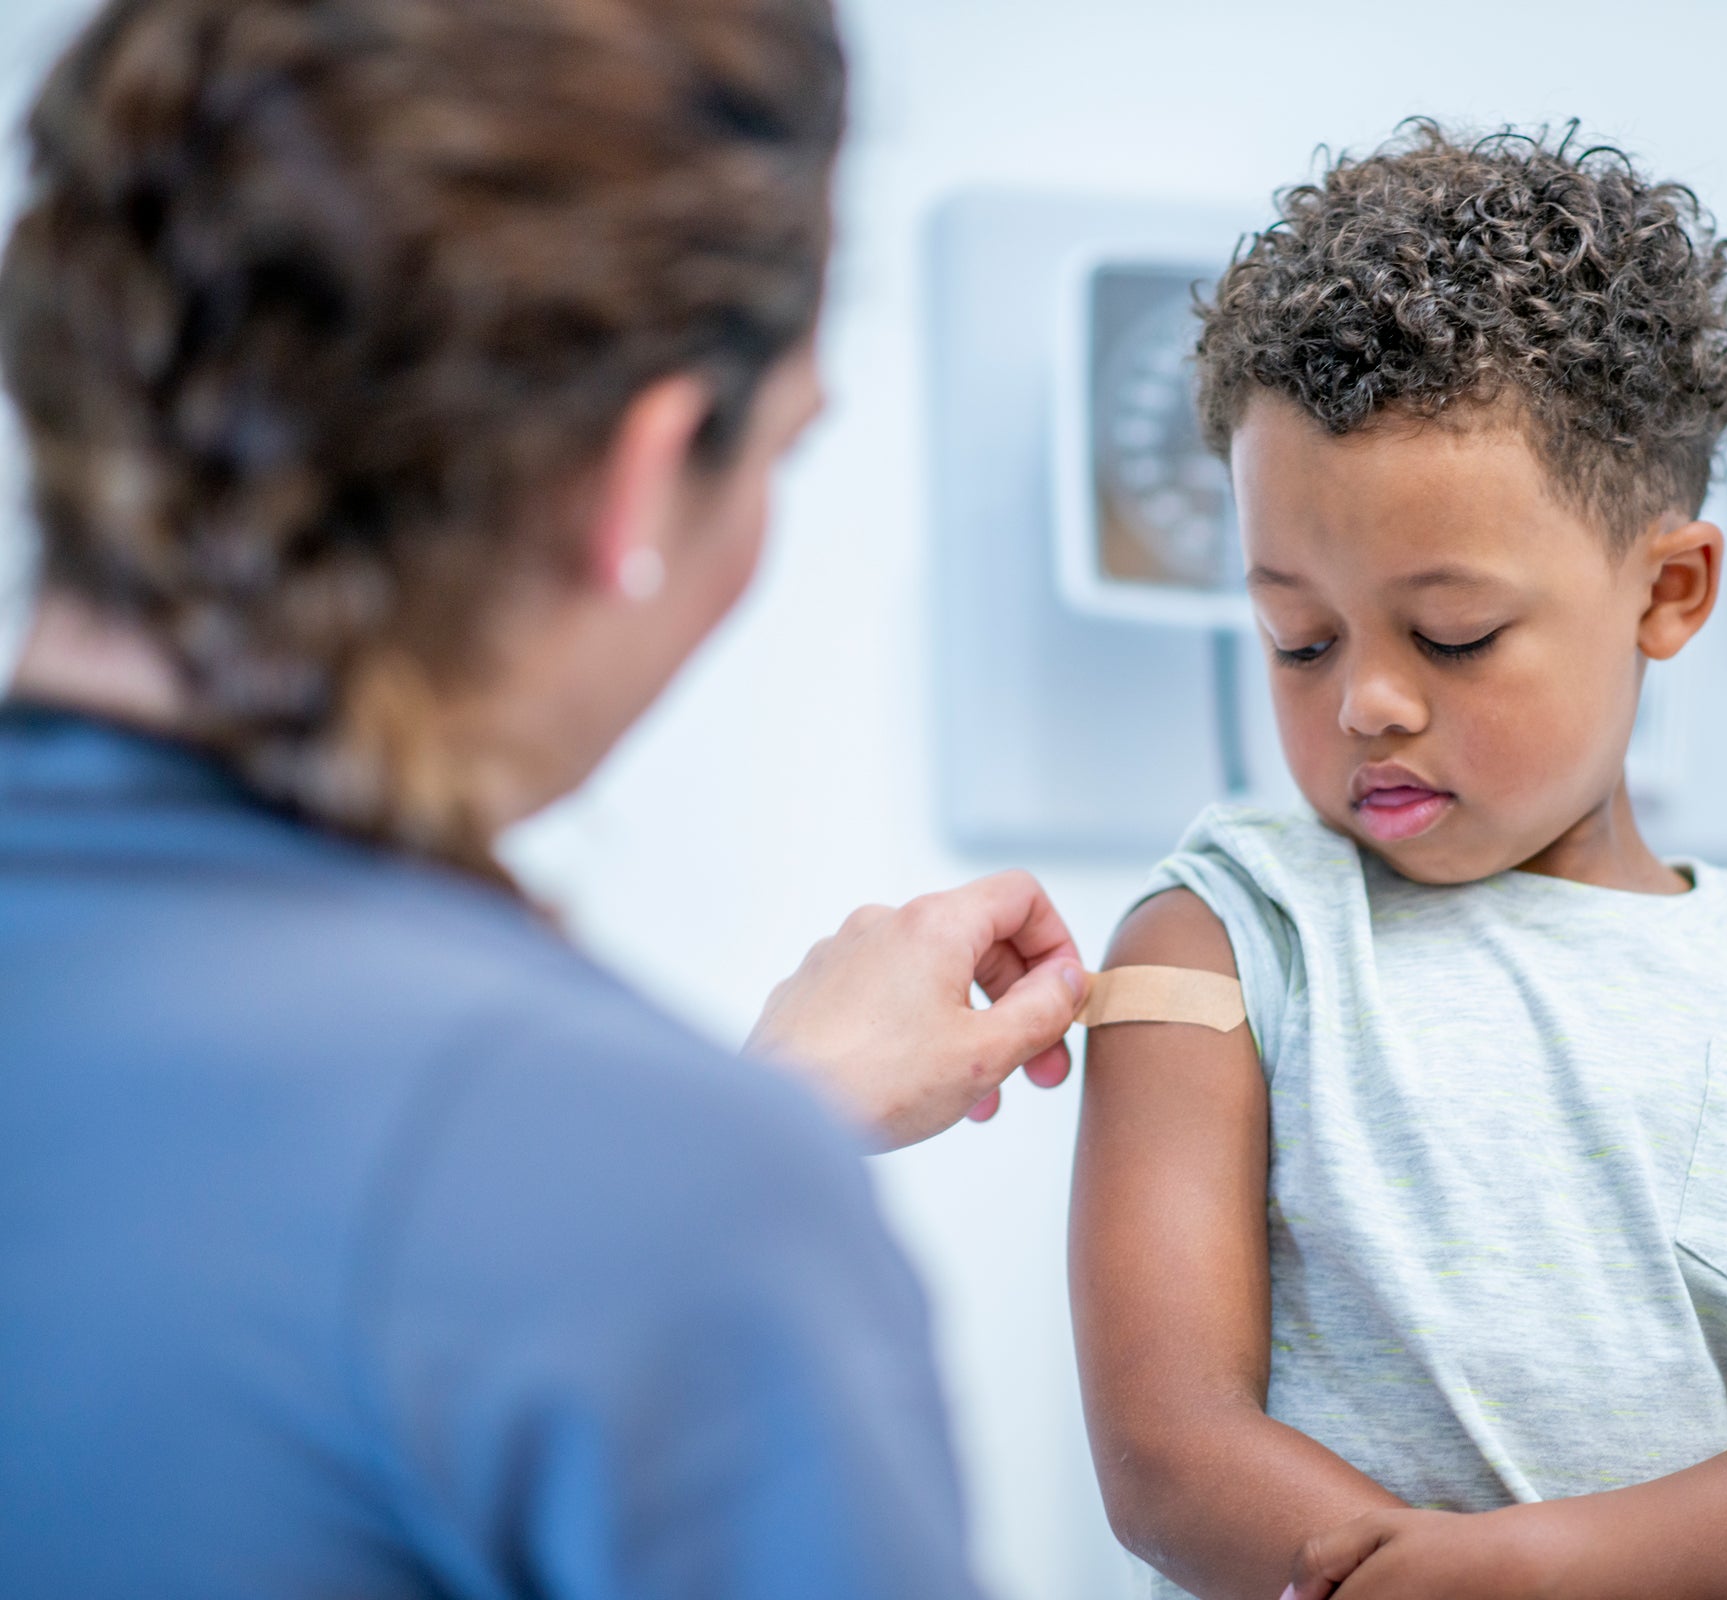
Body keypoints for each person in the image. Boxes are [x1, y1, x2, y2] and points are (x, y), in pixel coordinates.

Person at [0, 1, 1085, 1594]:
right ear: (644, 476)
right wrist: (699, 1179)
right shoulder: (649, 1204)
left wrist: (748, 1123)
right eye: (782, 450)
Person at [1069, 124, 1727, 1600]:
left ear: (1666, 591)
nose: (1365, 699)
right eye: (1299, 637)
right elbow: (1170, 1452)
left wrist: (1539, 1573)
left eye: (1453, 635)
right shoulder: (1221, 944)